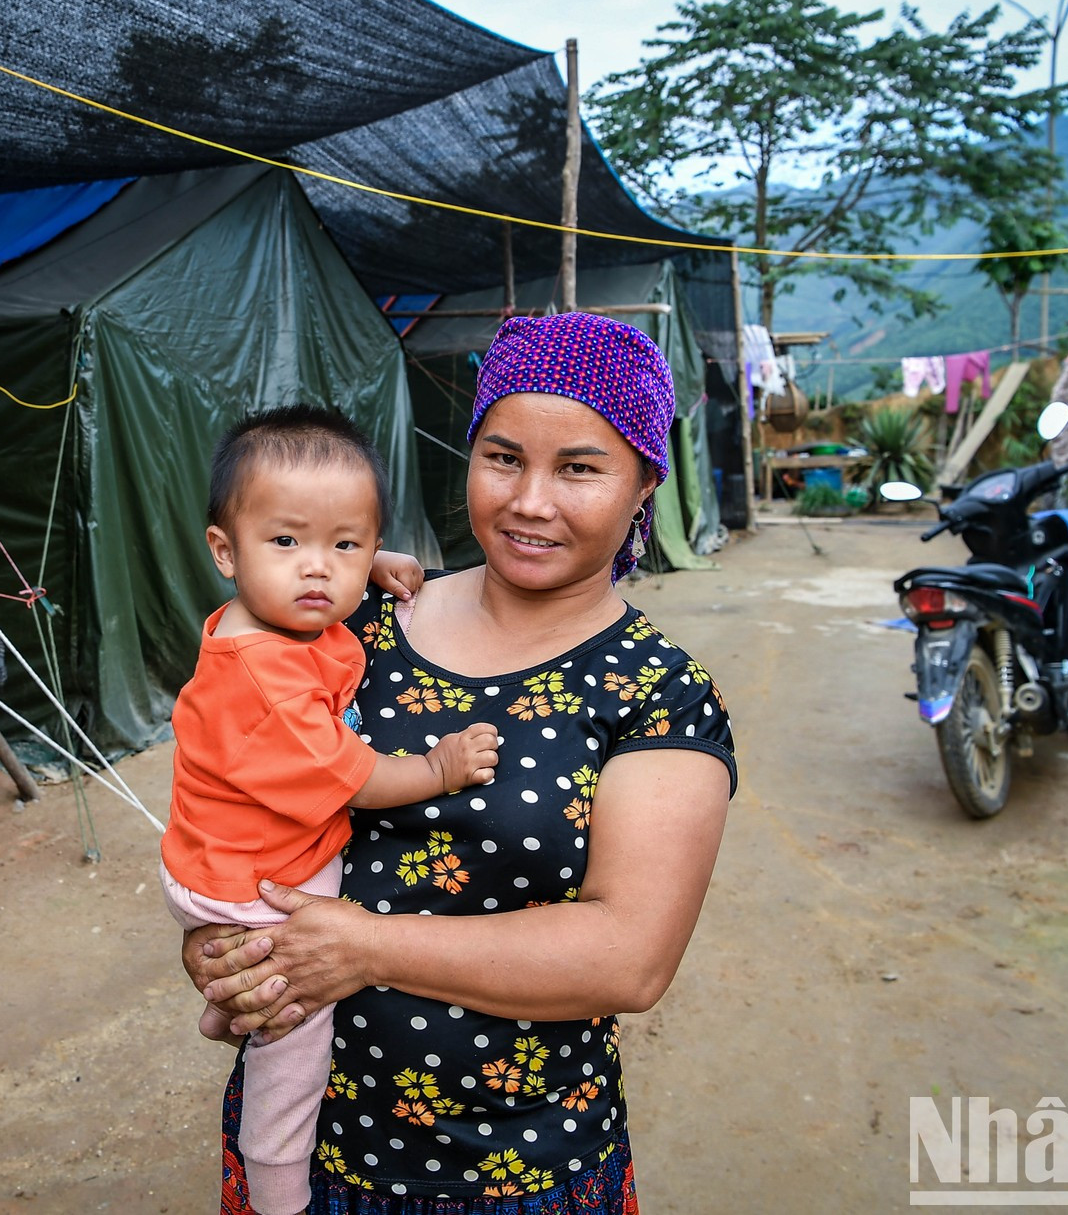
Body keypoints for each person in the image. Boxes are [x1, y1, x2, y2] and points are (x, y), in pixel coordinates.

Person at [182, 314, 737, 1213]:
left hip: (514, 1171)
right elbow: (228, 777)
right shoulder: (349, 624)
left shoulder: (658, 691)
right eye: (504, 457)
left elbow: (629, 957)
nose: (531, 501)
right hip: (306, 1143)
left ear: (644, 485)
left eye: (581, 468)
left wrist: (361, 946)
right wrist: (216, 940)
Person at [162, 405, 501, 1215]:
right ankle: (277, 1188)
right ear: (224, 551)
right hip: (255, 881)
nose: (318, 570)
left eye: (342, 542)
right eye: (288, 542)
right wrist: (439, 765)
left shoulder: (273, 612)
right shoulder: (264, 677)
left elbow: (312, 560)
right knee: (295, 1040)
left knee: (261, 988)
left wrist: (362, 560)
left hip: (237, 854)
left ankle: (227, 1012)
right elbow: (357, 777)